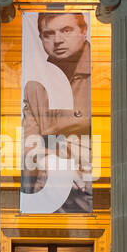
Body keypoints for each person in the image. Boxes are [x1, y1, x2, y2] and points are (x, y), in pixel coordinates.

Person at [22, 12, 92, 213]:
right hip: (50, 183)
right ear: (41, 38)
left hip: (89, 184)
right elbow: (29, 142)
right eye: (48, 34)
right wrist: (54, 163)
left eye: (66, 30)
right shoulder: (35, 85)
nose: (58, 40)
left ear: (84, 31)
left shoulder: (104, 71)